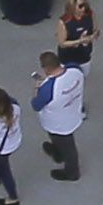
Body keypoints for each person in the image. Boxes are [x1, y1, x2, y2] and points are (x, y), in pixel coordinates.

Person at [29, 49, 85, 182]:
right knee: (62, 142)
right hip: (73, 113)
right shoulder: (75, 69)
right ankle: (58, 152)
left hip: (57, 123)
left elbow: (36, 105)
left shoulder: (47, 89)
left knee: (68, 147)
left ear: (46, 68)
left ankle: (72, 172)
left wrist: (37, 88)